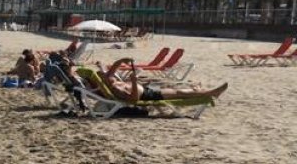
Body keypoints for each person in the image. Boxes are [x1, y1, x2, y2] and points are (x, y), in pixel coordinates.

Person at [88, 58, 228, 103]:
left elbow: (112, 69)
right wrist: (134, 81)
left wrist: (122, 60)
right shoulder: (115, 88)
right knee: (178, 92)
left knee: (173, 88)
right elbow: (134, 99)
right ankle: (210, 93)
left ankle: (198, 90)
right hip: (148, 95)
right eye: (105, 75)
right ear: (104, 81)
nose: (109, 74)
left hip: (147, 90)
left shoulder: (109, 82)